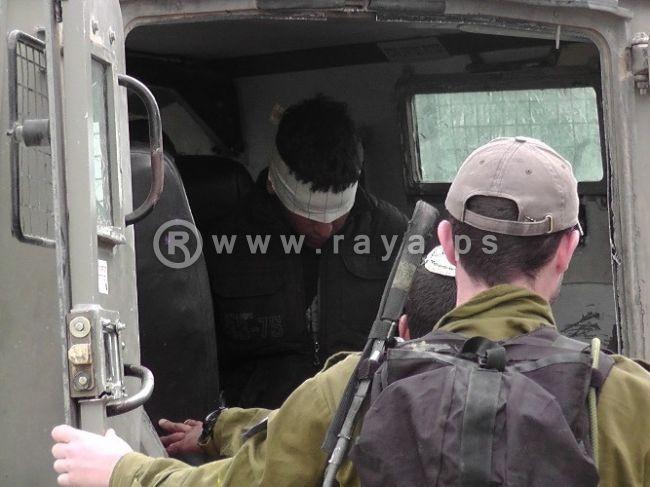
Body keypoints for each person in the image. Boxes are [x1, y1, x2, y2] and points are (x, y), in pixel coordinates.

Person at [52, 137, 650, 487]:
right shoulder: (630, 401)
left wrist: (122, 470)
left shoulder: (353, 389)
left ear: (445, 242)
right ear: (567, 249)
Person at [204, 94, 407, 408]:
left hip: (362, 414)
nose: (324, 230)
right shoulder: (224, 243)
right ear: (275, 185)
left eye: (337, 215)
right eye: (309, 216)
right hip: (258, 422)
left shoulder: (393, 234)